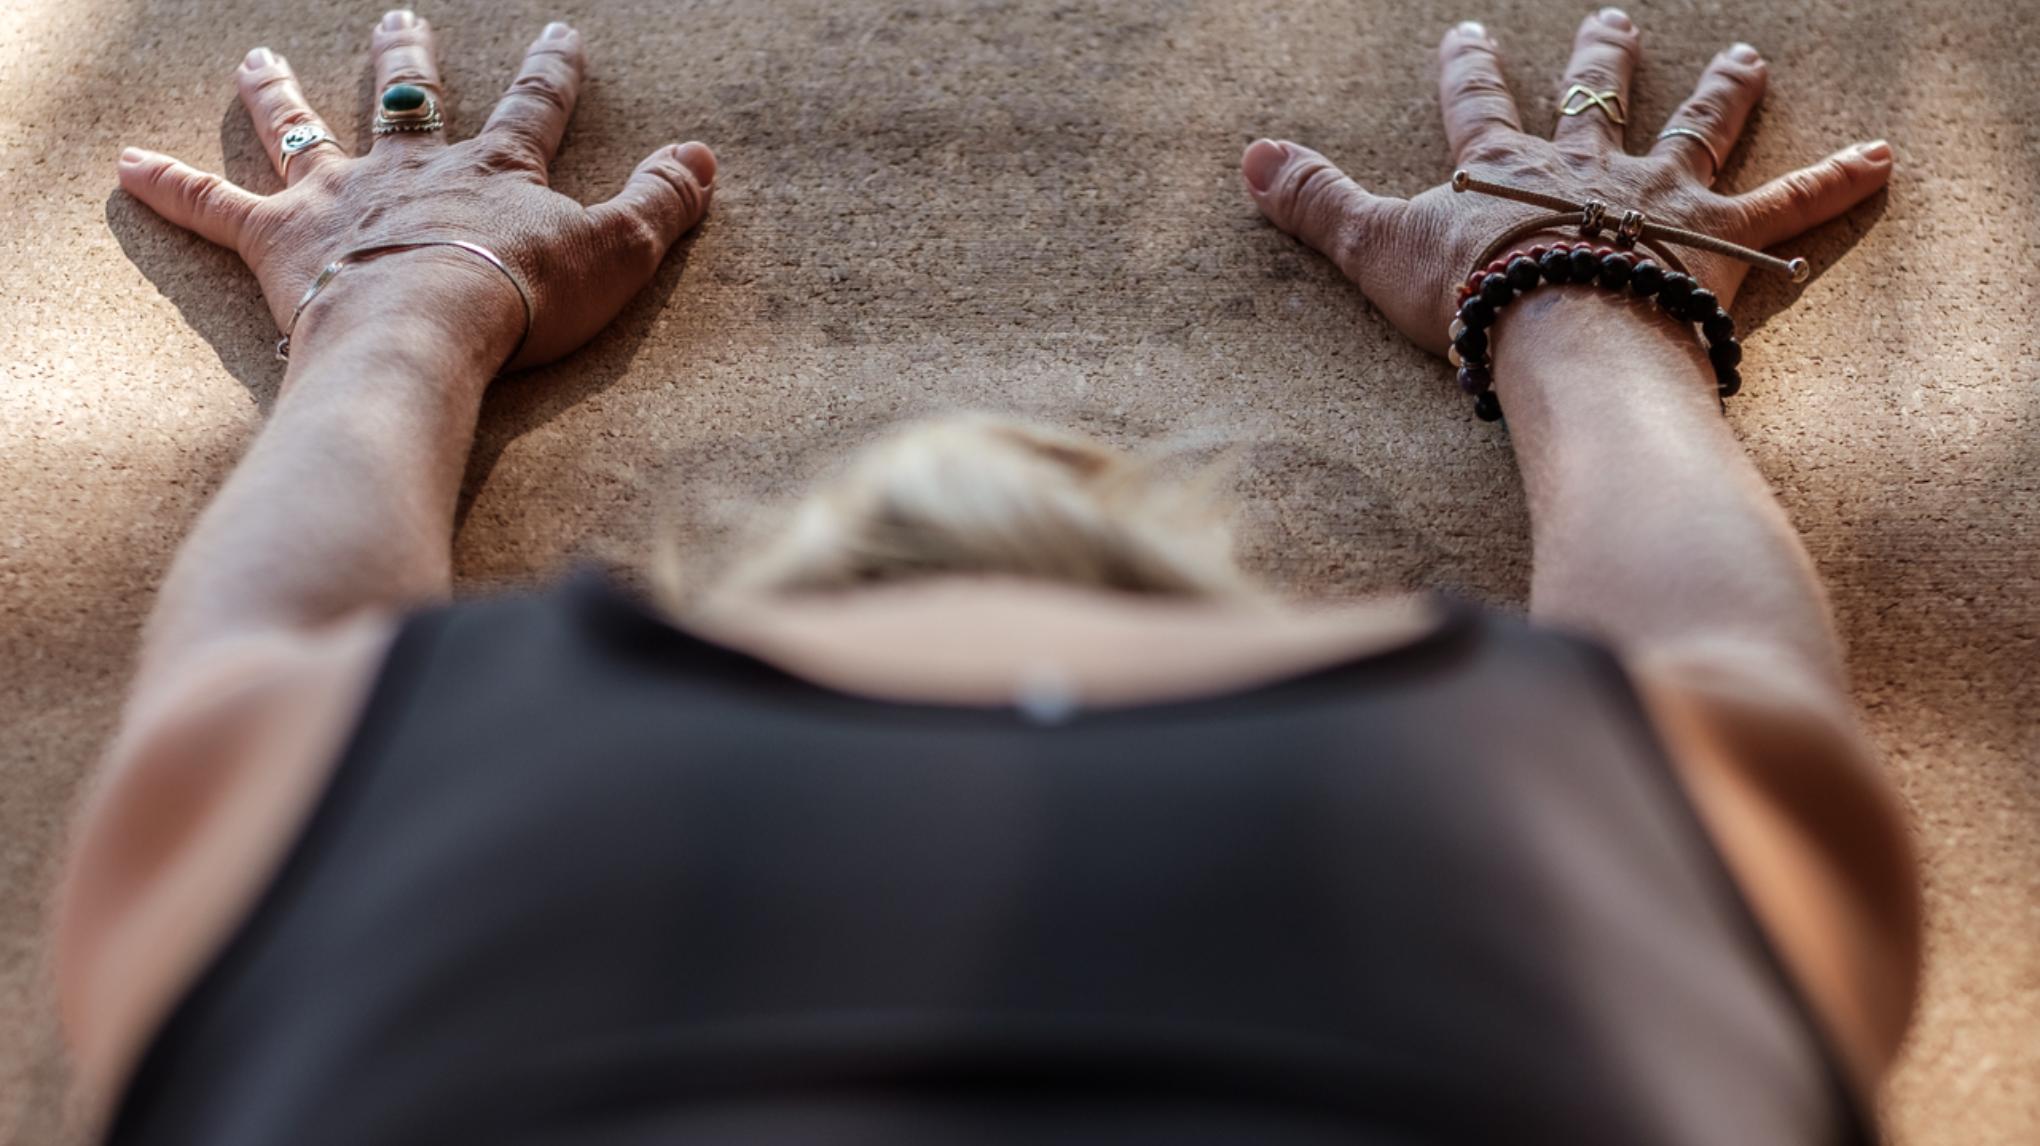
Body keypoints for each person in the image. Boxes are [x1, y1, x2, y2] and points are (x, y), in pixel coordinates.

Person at [62, 8, 1915, 1144]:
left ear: (753, 595)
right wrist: (1581, 286)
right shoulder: (1626, 803)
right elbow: (1710, 639)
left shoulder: (337, 783)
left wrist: (405, 293)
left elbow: (278, 621)